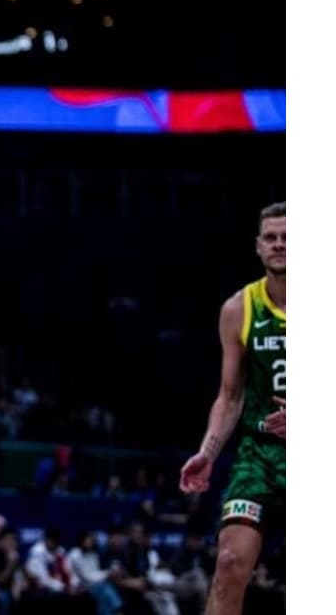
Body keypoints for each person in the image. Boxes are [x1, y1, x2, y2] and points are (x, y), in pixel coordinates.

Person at [180, 201, 286, 615]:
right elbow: (230, 396)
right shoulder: (239, 309)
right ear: (258, 247)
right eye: (271, 238)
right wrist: (207, 453)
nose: (280, 245)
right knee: (228, 564)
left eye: (289, 239)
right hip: (258, 454)